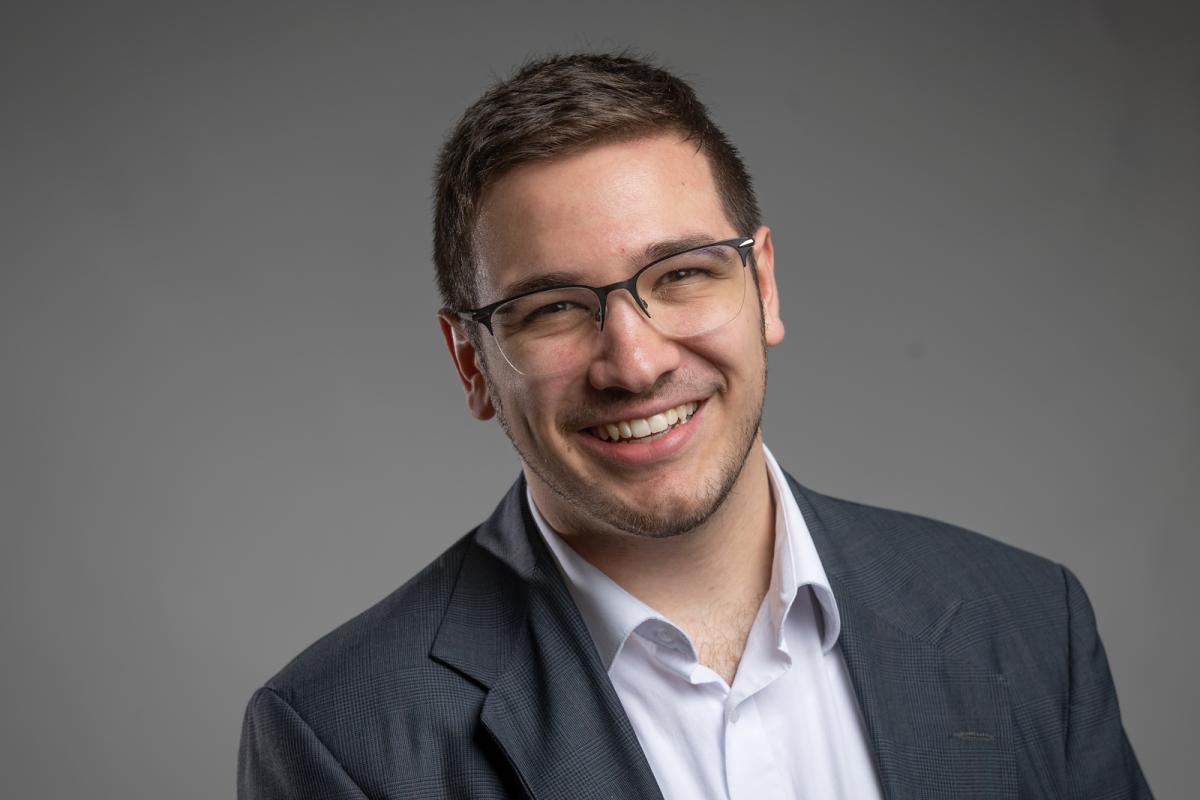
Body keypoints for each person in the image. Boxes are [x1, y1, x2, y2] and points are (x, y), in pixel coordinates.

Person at [238, 53, 1151, 799]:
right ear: (471, 362)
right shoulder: (341, 742)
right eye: (554, 306)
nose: (634, 363)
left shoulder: (1030, 622)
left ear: (764, 284)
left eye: (680, 274)